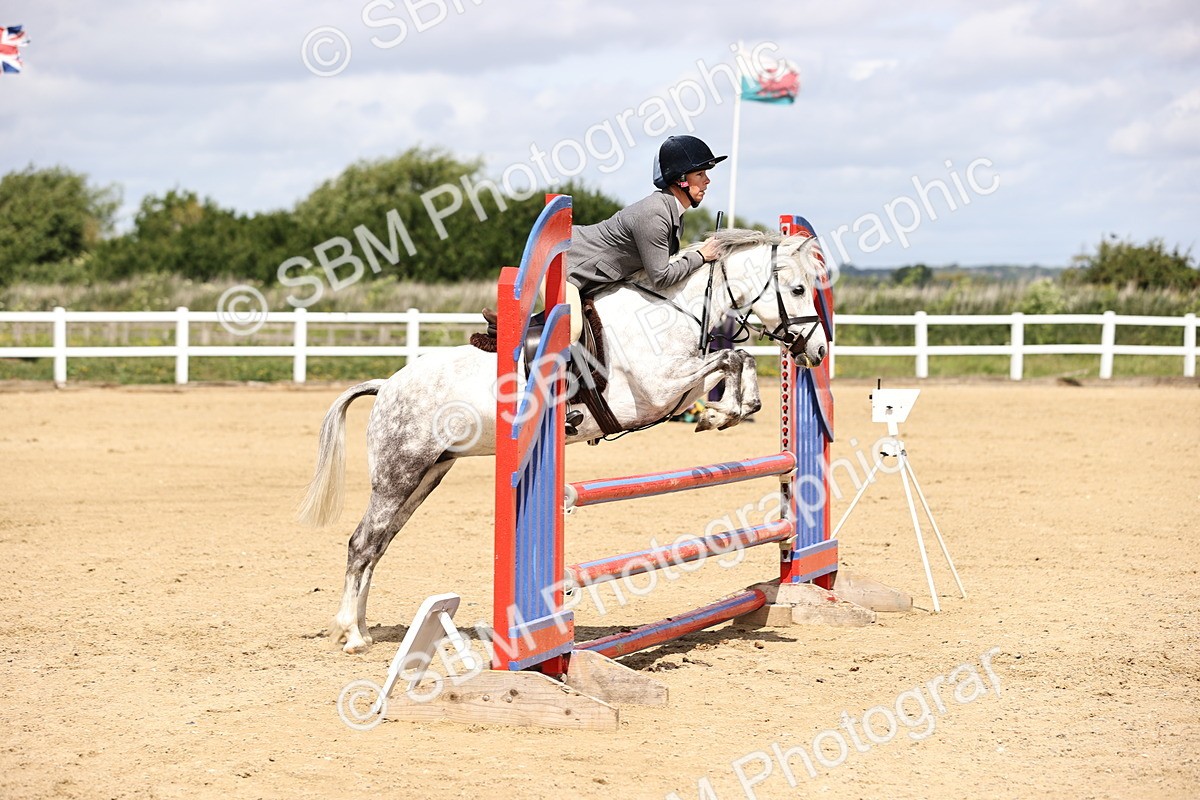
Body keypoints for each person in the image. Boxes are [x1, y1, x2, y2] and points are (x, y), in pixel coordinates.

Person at [557, 134, 727, 344]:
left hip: (589, 276)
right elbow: (661, 277)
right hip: (563, 267)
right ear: (681, 179)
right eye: (700, 174)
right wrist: (700, 256)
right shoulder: (655, 214)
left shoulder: (672, 213)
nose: (707, 180)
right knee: (572, 331)